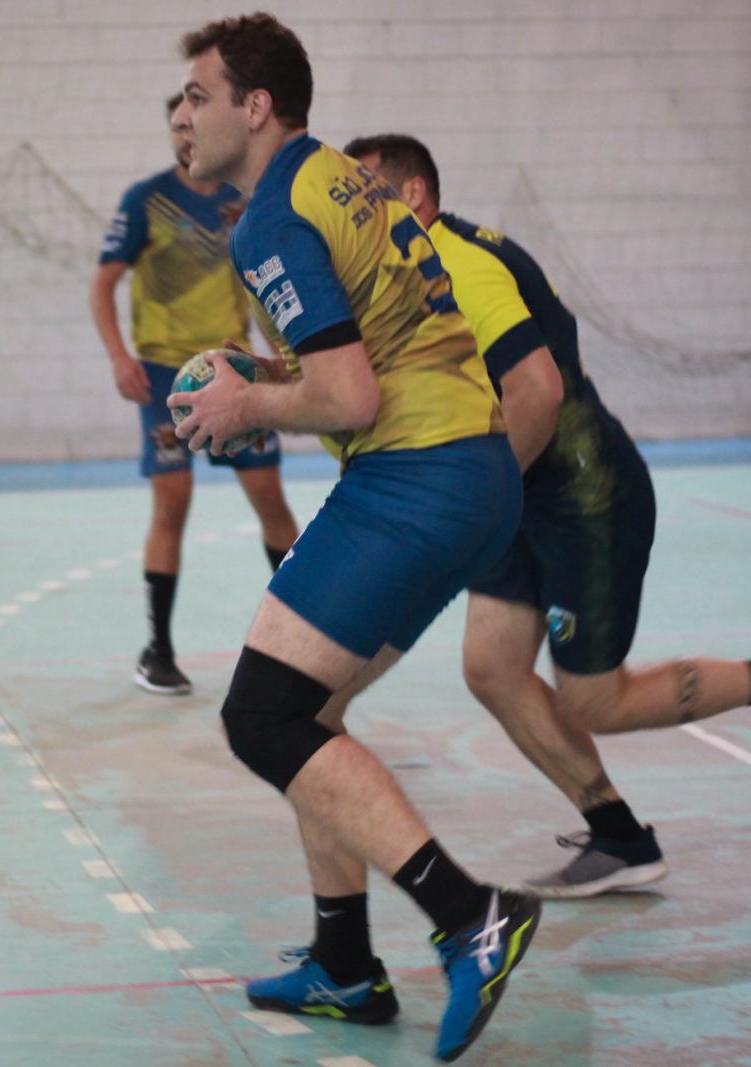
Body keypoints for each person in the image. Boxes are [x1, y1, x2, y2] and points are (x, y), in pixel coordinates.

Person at [338, 133, 751, 898]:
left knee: (596, 698)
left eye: (365, 194)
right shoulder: (412, 268)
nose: (354, 212)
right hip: (517, 490)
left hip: (583, 496)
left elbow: (541, 392)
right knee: (492, 669)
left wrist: (477, 496)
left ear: (415, 194)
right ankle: (620, 836)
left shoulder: (462, 260)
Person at [166, 15, 539, 1062]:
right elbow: (355, 361)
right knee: (312, 710)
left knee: (263, 713)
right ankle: (343, 962)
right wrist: (260, 377)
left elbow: (350, 390)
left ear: (257, 107)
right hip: (469, 469)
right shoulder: (337, 178)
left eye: (200, 94)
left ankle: (470, 914)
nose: (183, 115)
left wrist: (246, 407)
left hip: (416, 474)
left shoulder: (270, 219)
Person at [89, 92, 299, 696]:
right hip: (165, 376)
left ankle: (294, 639)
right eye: (178, 127)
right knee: (172, 502)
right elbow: (102, 285)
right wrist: (119, 358)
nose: (187, 136)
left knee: (269, 498)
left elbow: (268, 284)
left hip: (231, 370)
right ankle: (158, 648)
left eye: (196, 123)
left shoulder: (245, 204)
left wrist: (279, 360)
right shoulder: (145, 201)